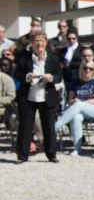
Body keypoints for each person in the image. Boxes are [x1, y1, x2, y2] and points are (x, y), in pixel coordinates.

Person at [14, 33, 61, 162]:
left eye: (41, 41)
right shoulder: (23, 58)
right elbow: (17, 74)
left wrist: (51, 78)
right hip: (28, 95)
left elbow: (59, 77)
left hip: (47, 95)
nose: (39, 44)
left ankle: (52, 155)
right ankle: (22, 155)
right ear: (31, 43)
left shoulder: (54, 58)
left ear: (46, 42)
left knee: (49, 126)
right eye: (36, 41)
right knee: (25, 126)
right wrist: (26, 77)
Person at [54, 62, 94, 155]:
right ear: (81, 69)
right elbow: (70, 101)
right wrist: (74, 101)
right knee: (76, 117)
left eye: (91, 68)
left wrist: (81, 103)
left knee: (78, 105)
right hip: (78, 110)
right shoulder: (76, 82)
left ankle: (55, 127)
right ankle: (77, 148)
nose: (88, 70)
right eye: (85, 68)